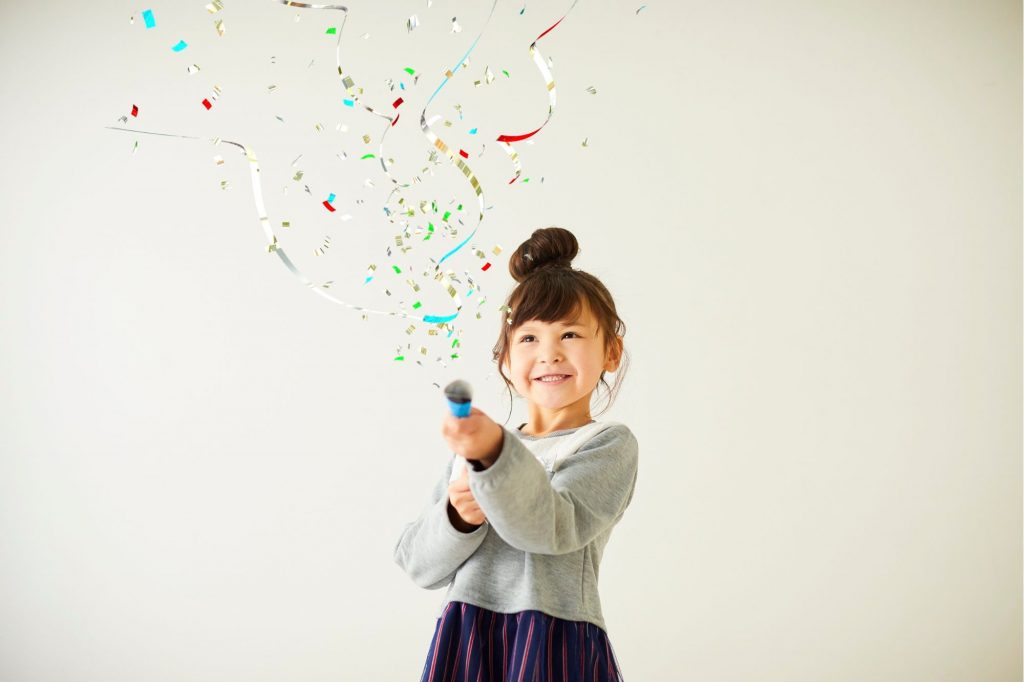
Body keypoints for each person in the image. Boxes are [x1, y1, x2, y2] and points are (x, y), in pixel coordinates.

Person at [393, 226, 639, 681]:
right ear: (504, 358)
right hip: (468, 636)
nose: (549, 354)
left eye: (570, 335)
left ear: (611, 351)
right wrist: (458, 517)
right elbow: (417, 563)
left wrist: (494, 456)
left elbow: (550, 529)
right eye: (528, 339)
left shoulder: (606, 444)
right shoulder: (476, 447)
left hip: (552, 637)